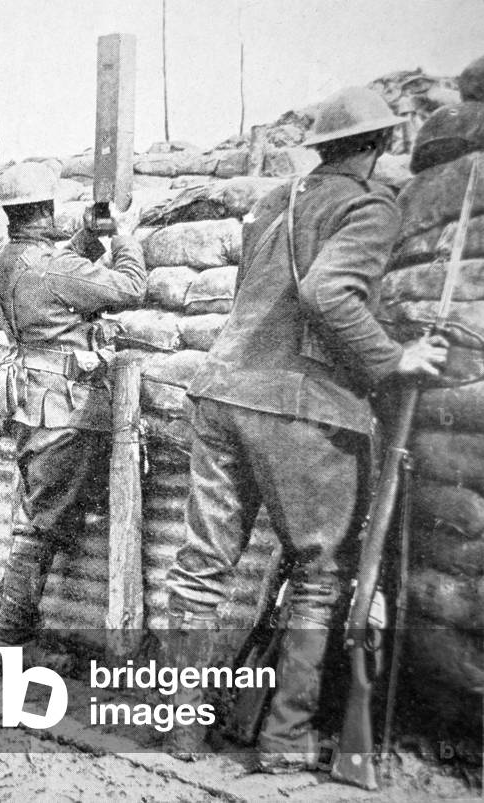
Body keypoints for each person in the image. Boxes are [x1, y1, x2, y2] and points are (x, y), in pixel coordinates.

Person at [162, 87, 450, 770]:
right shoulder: (368, 206)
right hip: (302, 408)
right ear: (379, 146)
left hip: (221, 389)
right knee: (319, 579)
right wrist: (392, 357)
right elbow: (326, 292)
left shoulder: (272, 202)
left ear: (321, 146)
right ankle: (284, 742)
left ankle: (178, 731)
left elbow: (248, 302)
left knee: (201, 569)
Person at [0, 162, 148, 660]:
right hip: (64, 412)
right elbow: (130, 287)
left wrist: (82, 238)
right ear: (43, 211)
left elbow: (57, 277)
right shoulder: (51, 269)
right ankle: (6, 644)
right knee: (41, 526)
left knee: (39, 517)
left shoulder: (3, 266)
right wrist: (125, 237)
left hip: (31, 405)